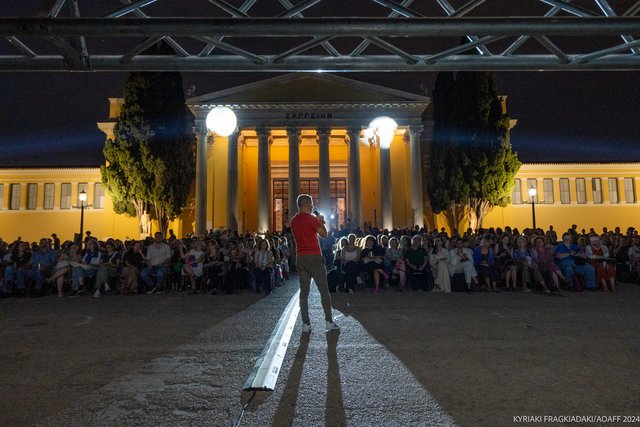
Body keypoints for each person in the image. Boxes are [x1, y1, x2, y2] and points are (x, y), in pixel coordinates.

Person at [290, 194, 339, 333]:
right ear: (306, 204)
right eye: (311, 204)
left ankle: (306, 324)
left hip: (301, 257)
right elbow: (324, 234)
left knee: (304, 292)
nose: (312, 206)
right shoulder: (311, 219)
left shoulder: (293, 221)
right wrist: (321, 222)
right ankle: (329, 321)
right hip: (314, 257)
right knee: (323, 290)